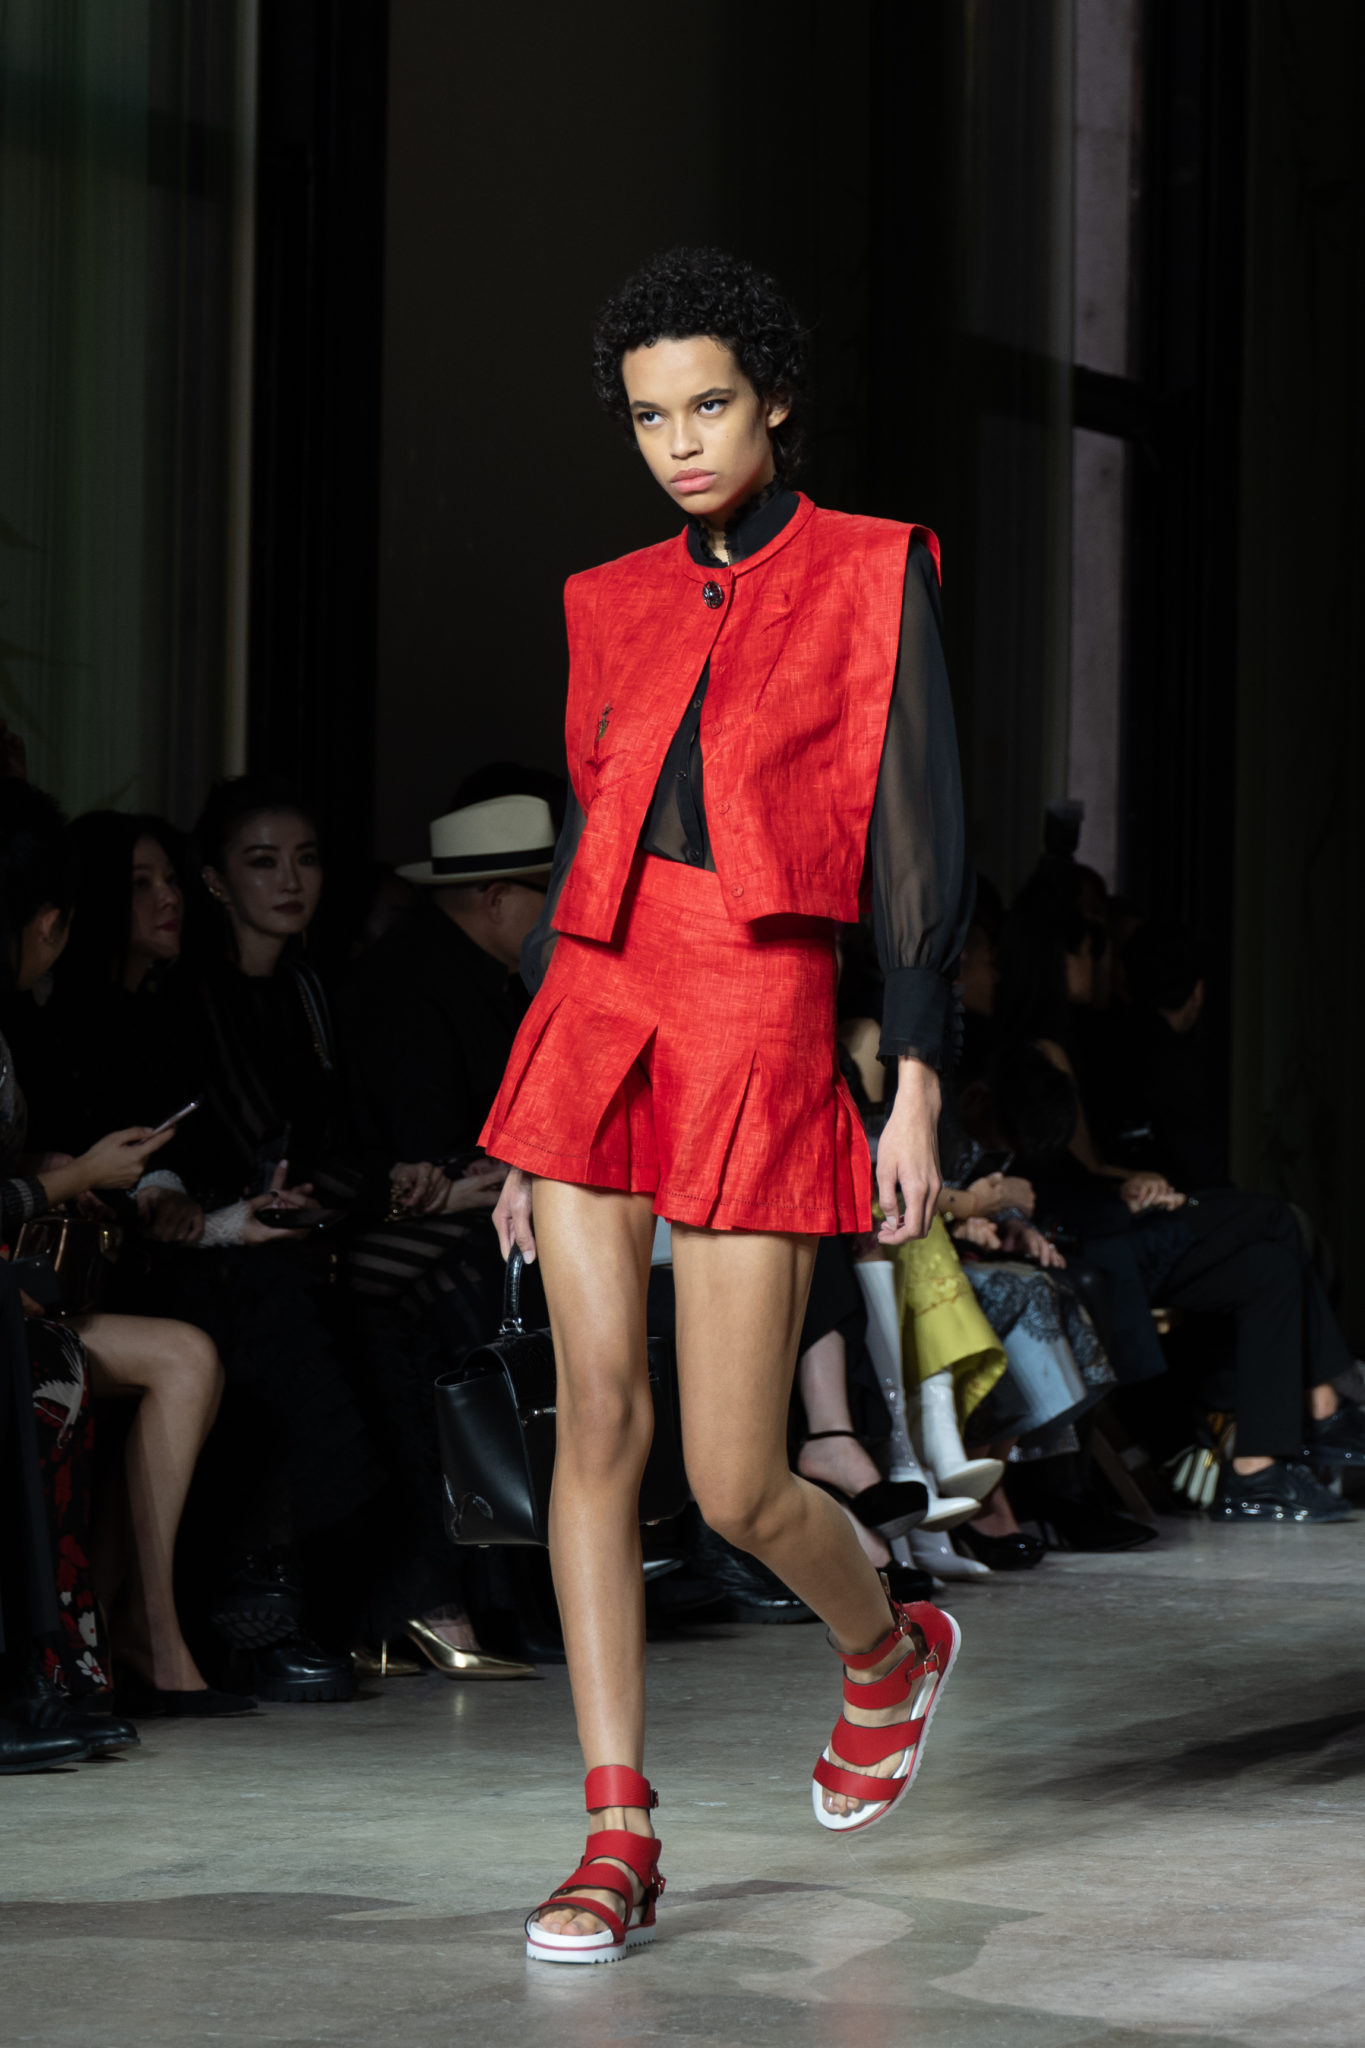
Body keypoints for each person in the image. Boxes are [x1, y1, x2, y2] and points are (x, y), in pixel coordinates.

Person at [478, 247, 973, 1962]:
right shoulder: (604, 597)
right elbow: (583, 843)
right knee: (593, 1427)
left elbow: (918, 841)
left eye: (707, 406)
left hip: (761, 1007)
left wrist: (912, 1091)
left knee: (737, 1480)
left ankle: (886, 1650)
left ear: (772, 402)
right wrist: (530, 1117)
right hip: (600, 1005)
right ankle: (615, 1834)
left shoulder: (872, 569)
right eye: (647, 418)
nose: (679, 444)